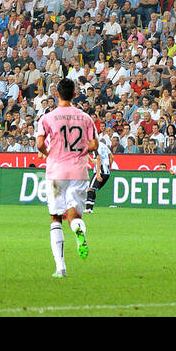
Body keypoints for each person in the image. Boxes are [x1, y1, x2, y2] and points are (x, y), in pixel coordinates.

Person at [35, 76, 97, 277]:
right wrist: (81, 150)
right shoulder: (85, 117)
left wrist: (47, 152)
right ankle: (79, 229)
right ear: (75, 95)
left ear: (56, 94)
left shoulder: (48, 117)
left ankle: (60, 267)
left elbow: (39, 143)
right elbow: (95, 144)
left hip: (56, 172)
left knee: (55, 217)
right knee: (74, 215)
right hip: (79, 172)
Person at [85, 126, 112, 213]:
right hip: (106, 172)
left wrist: (97, 174)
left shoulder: (95, 146)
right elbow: (111, 156)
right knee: (93, 188)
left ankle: (88, 209)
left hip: (100, 171)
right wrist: (108, 167)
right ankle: (90, 209)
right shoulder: (103, 145)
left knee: (90, 189)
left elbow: (99, 159)